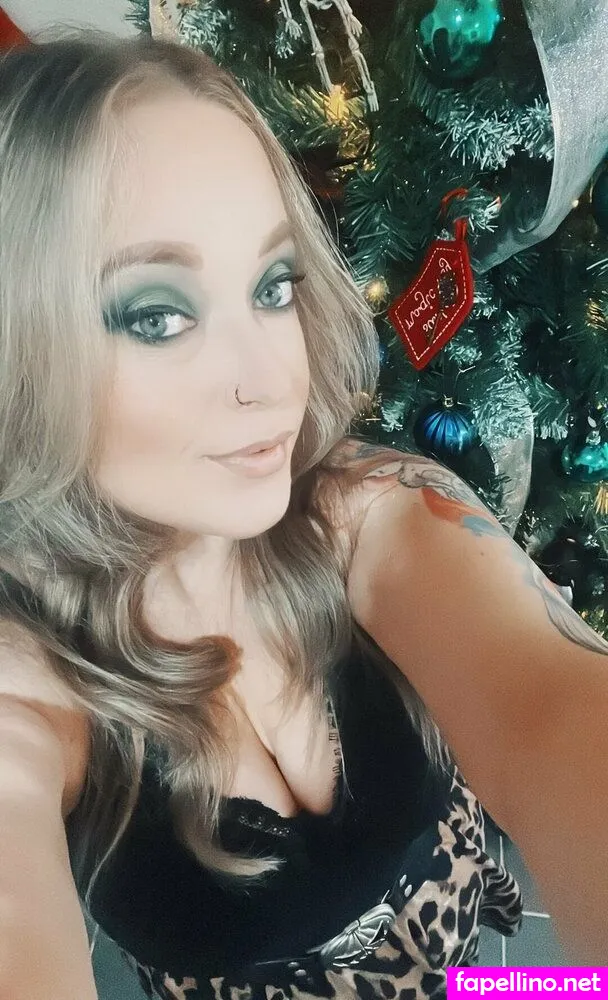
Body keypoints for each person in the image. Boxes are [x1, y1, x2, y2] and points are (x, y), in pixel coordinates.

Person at [0, 31, 606, 1000]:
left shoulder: (366, 511)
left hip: (461, 953)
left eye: (271, 286)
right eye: (158, 315)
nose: (270, 378)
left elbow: (552, 706)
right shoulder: (29, 695)